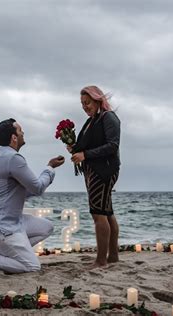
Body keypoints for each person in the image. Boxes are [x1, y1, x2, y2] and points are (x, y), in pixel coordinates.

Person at [0, 118, 65, 276]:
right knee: (32, 267)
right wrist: (50, 168)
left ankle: (12, 257)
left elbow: (25, 192)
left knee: (46, 227)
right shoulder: (12, 158)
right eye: (20, 130)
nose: (23, 133)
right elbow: (37, 188)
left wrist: (41, 180)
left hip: (12, 221)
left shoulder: (5, 156)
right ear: (14, 137)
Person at [68, 85, 121, 269]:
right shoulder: (92, 121)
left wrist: (85, 155)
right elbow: (85, 146)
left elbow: (112, 146)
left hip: (105, 170)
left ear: (98, 99)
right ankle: (112, 257)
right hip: (93, 171)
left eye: (88, 102)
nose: (85, 107)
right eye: (82, 104)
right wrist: (73, 148)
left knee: (98, 213)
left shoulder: (108, 117)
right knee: (107, 212)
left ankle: (101, 260)